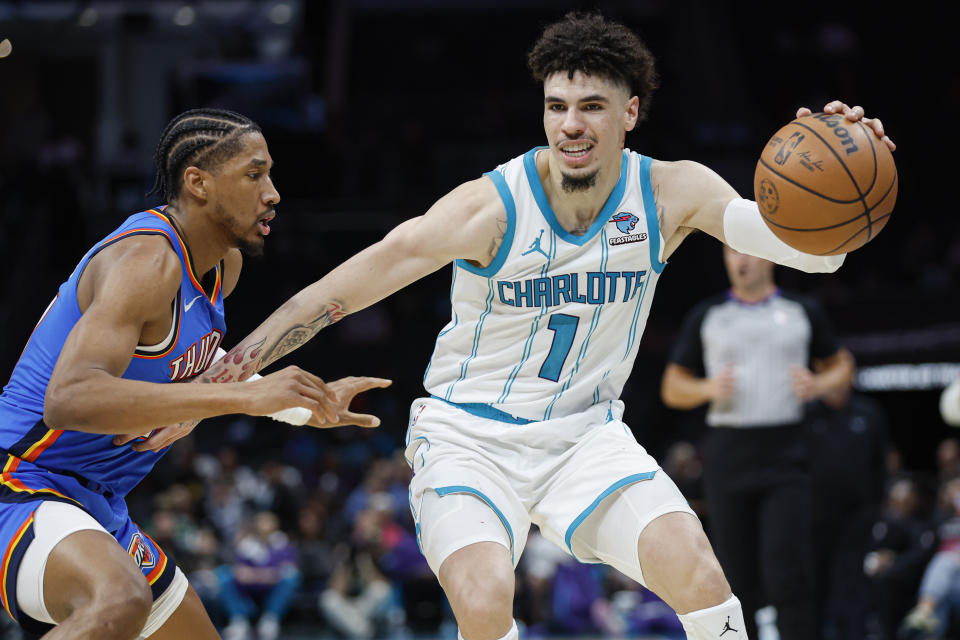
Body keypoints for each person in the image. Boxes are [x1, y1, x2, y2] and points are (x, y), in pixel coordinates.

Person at [140, 13, 895, 640]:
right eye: (557, 105)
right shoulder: (490, 207)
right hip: (469, 439)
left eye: (592, 106)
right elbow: (341, 290)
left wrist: (846, 174)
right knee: (484, 596)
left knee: (701, 578)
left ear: (630, 111)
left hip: (585, 440)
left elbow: (806, 250)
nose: (571, 124)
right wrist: (231, 373)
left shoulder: (671, 192)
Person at [0, 108, 388, 639]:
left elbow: (199, 377)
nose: (273, 192)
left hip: (98, 501)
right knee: (118, 599)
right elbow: (70, 398)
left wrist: (300, 405)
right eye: (255, 174)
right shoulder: (145, 261)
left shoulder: (222, 267)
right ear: (198, 182)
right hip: (21, 480)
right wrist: (242, 401)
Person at [660, 247, 856, 638]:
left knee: (789, 574)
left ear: (768, 256)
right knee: (735, 579)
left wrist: (818, 384)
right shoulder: (708, 315)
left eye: (746, 252)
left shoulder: (801, 311)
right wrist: (707, 387)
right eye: (730, 253)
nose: (738, 260)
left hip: (787, 452)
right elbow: (672, 387)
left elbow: (842, 365)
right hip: (728, 453)